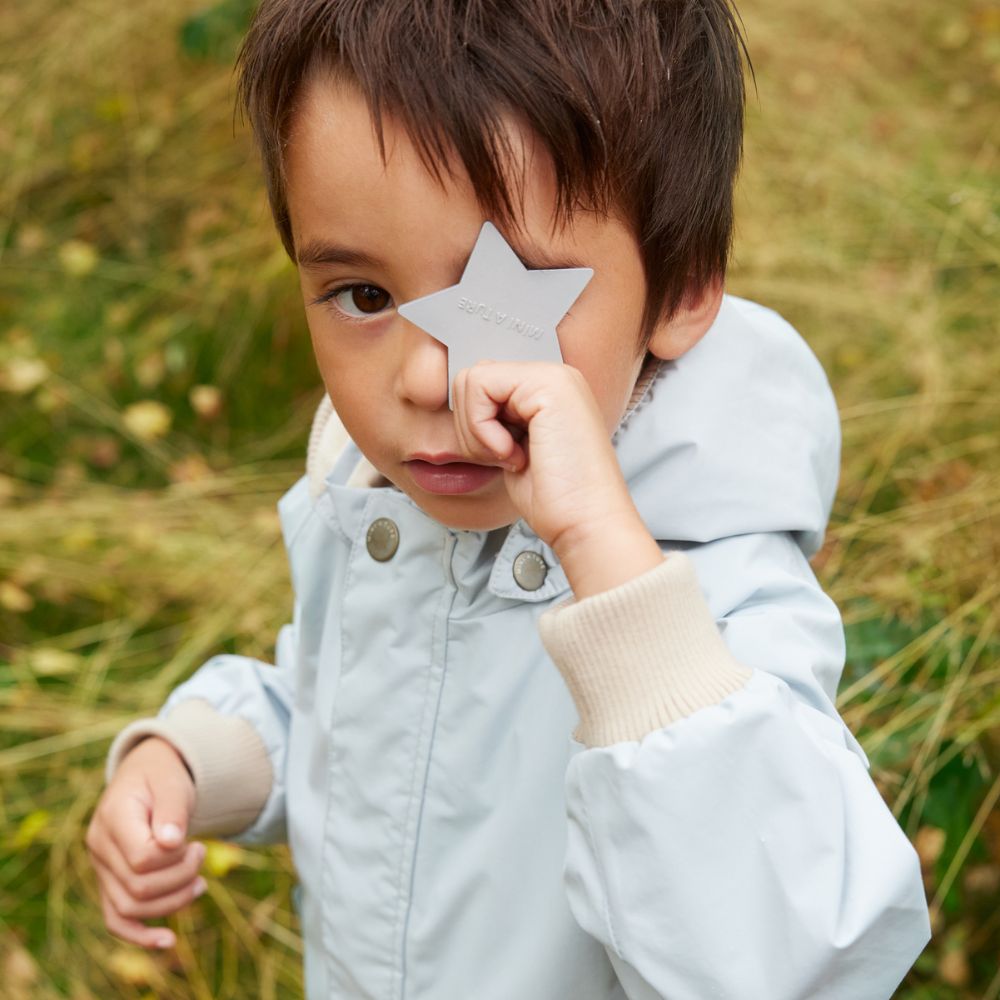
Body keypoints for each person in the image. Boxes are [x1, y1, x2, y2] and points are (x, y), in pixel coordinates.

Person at [85, 1, 932, 997]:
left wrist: (602, 559)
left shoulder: (716, 598)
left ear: (679, 292)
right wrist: (193, 762)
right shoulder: (372, 500)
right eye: (363, 296)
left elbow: (791, 958)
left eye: (505, 299)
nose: (427, 376)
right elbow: (347, 708)